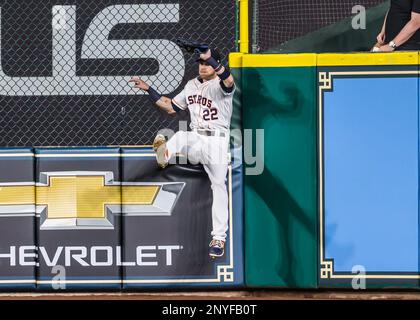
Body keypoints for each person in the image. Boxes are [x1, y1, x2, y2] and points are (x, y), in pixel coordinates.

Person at [129, 47, 235, 258]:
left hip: (218, 142)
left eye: (207, 63)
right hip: (197, 139)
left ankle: (218, 239)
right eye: (201, 63)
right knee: (181, 136)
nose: (203, 66)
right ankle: (164, 155)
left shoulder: (222, 84)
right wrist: (149, 89)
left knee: (219, 186)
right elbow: (170, 107)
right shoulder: (191, 85)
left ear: (215, 64)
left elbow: (229, 82)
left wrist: (212, 60)